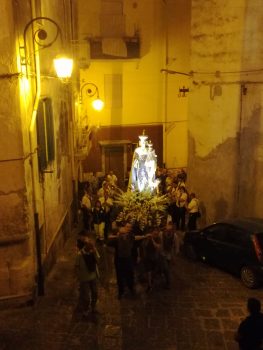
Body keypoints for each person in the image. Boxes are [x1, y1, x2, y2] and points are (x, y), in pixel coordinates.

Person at [75, 238, 100, 316]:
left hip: (93, 276)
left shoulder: (93, 252)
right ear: (85, 246)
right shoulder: (79, 255)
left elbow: (98, 260)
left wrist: (95, 251)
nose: (91, 248)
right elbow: (76, 266)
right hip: (84, 278)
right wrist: (79, 276)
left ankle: (93, 307)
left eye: (92, 246)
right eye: (90, 246)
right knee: (85, 295)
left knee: (95, 293)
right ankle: (85, 309)